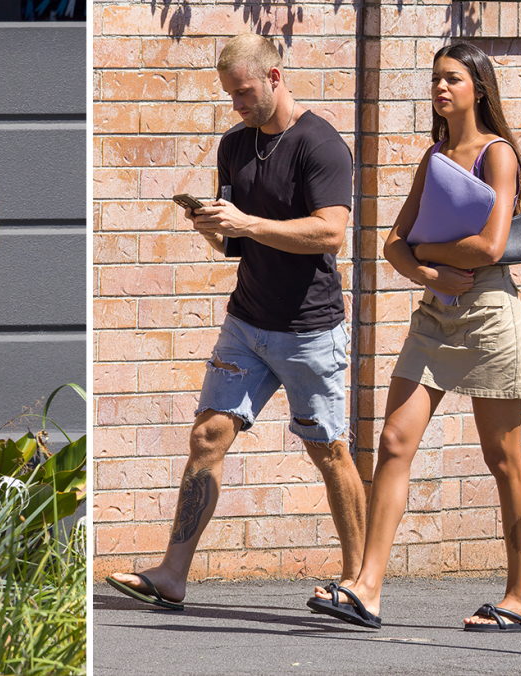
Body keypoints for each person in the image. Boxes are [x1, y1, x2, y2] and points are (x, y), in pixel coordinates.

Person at [106, 33, 366, 610]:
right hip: (247, 322)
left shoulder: (320, 145)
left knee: (328, 450)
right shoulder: (235, 144)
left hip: (309, 328)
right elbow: (236, 245)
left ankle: (359, 583)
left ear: (274, 77)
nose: (237, 105)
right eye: (229, 95)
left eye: (244, 93)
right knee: (207, 436)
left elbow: (329, 233)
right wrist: (214, 227)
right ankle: (172, 575)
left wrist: (246, 223)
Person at [311, 42, 521, 632]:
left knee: (502, 457)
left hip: (488, 312)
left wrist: (426, 250)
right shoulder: (435, 155)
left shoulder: (498, 154)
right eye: (436, 79)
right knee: (392, 441)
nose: (441, 88)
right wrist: (428, 269)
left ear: (478, 89)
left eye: (453, 79)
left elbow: (490, 247)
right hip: (436, 312)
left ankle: (519, 598)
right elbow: (392, 244)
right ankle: (366, 589)